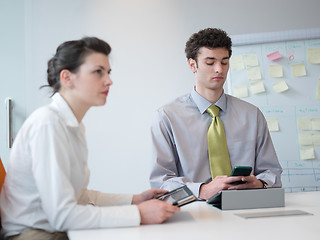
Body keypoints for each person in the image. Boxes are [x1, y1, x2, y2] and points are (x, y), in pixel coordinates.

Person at [0, 37, 180, 240]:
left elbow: (80, 196)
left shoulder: (72, 124)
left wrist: (135, 200)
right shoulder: (48, 124)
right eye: (98, 72)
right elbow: (63, 215)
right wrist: (138, 214)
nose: (109, 81)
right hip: (32, 234)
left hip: (55, 229)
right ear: (67, 78)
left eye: (108, 73)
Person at [149, 28, 283, 200]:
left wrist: (260, 183)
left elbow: (271, 172)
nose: (219, 69)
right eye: (210, 63)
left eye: (224, 62)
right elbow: (161, 181)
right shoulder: (167, 117)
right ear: (192, 65)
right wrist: (202, 190)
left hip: (247, 208)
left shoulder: (252, 115)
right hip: (193, 213)